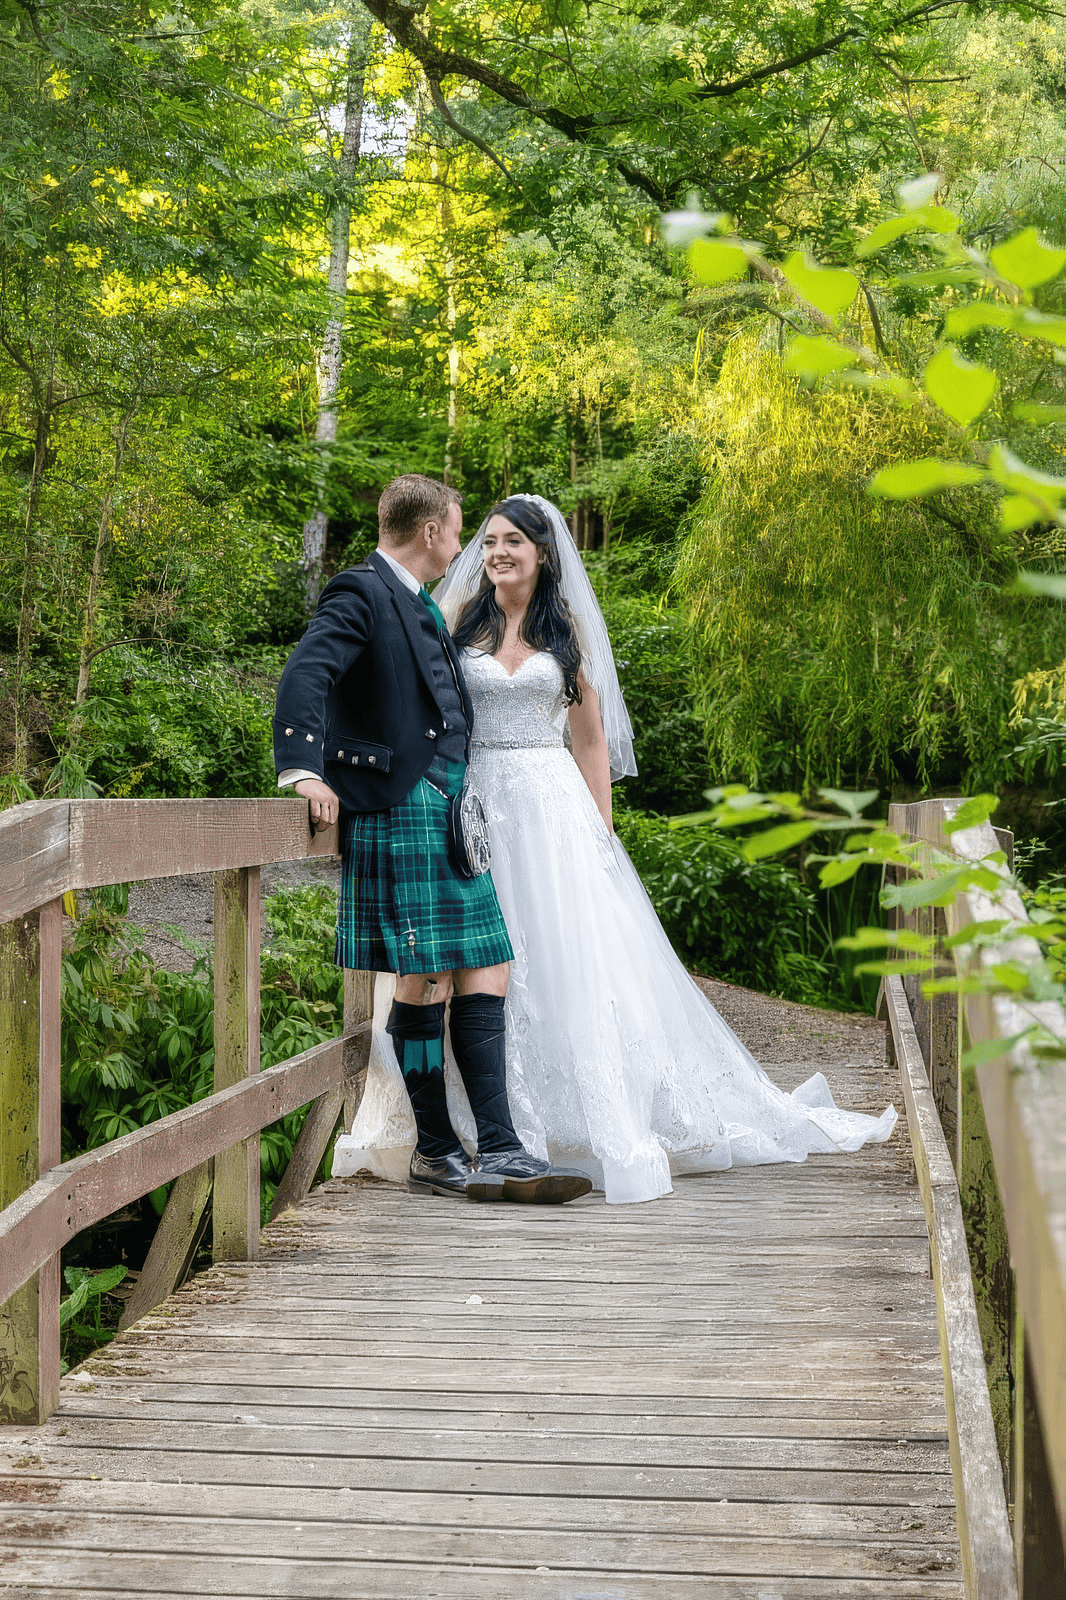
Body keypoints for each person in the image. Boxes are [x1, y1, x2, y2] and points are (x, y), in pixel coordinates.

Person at [333, 493, 897, 1204]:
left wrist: (599, 834)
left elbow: (590, 741)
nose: (498, 551)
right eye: (490, 540)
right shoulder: (452, 619)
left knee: (548, 966)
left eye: (513, 541)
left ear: (543, 553)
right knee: (440, 973)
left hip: (549, 810)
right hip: (468, 810)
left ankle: (536, 1135)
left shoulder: (564, 632)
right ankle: (449, 1141)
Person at [273, 474, 593, 1205]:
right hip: (397, 806)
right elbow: (306, 675)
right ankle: (441, 1150)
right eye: (460, 530)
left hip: (442, 807)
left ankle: (501, 1150)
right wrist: (302, 769)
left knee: (487, 965)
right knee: (428, 980)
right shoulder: (362, 591)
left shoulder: (417, 600)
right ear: (430, 533)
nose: (468, 545)